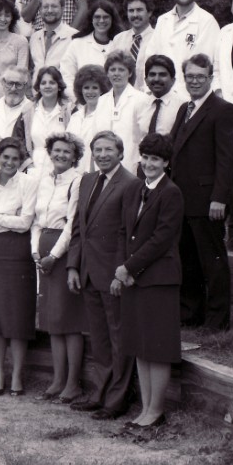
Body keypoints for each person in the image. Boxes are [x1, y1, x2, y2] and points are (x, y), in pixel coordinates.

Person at [114, 132, 185, 432]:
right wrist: (123, 269)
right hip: (134, 279)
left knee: (157, 346)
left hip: (159, 279)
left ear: (166, 162)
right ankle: (144, 408)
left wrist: (129, 267)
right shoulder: (133, 189)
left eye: (155, 159)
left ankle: (156, 411)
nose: (148, 164)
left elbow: (161, 239)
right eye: (145, 157)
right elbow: (123, 231)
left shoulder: (171, 193)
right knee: (140, 345)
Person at [66, 130, 139, 420]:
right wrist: (73, 265)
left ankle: (118, 399)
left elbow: (128, 233)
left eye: (109, 149)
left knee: (119, 337)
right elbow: (78, 227)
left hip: (113, 274)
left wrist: (121, 272)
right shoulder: (86, 181)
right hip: (87, 272)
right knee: (99, 338)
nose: (102, 155)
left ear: (120, 153)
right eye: (98, 150)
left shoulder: (130, 184)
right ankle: (100, 393)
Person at [169, 53, 233, 330]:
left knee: (213, 261)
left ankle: (217, 319)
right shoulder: (184, 109)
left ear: (210, 78)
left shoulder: (223, 110)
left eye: (200, 76)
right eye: (190, 76)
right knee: (188, 260)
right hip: (182, 199)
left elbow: (226, 159)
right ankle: (190, 314)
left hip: (208, 200)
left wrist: (220, 197)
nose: (194, 81)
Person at [0, 137, 38, 396]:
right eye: (6, 157)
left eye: (15, 158)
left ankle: (16, 377)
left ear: (21, 160)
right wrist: (10, 217)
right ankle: (0, 375)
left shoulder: (28, 182)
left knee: (17, 316)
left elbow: (25, 223)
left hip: (18, 253)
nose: (10, 162)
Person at [32, 133, 85, 402]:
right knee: (53, 319)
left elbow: (73, 224)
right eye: (56, 151)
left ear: (75, 156)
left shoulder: (77, 181)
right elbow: (37, 220)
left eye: (67, 152)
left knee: (69, 319)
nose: (61, 155)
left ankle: (73, 383)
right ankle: (58, 379)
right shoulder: (44, 179)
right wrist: (36, 250)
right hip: (43, 249)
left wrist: (53, 255)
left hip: (63, 251)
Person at [144, 0, 220, 89]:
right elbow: (150, 57)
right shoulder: (163, 20)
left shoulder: (207, 22)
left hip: (190, 94)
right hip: (161, 92)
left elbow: (205, 64)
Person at [96, 50, 149, 174]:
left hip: (130, 167)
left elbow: (143, 137)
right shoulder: (101, 101)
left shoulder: (141, 99)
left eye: (121, 69)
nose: (116, 74)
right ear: (107, 73)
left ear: (130, 73)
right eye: (112, 70)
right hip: (102, 167)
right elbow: (96, 137)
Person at [0, 68, 33, 173]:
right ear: (3, 84)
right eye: (10, 83)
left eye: (18, 84)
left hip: (19, 174)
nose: (13, 89)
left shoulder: (32, 110)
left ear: (26, 86)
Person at [60, 0, 121, 90]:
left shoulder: (121, 43)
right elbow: (67, 75)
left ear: (112, 19)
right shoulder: (77, 44)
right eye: (97, 17)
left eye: (106, 17)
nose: (101, 20)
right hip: (83, 100)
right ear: (91, 19)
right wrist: (77, 98)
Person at [67, 65, 112, 168]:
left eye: (94, 87)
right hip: (74, 172)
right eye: (86, 87)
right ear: (80, 90)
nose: (90, 92)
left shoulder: (106, 115)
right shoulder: (75, 117)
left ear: (102, 90)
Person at [29, 66, 70, 171]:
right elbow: (20, 141)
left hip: (61, 168)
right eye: (43, 83)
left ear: (59, 86)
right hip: (34, 168)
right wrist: (28, 165)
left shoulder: (69, 110)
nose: (47, 86)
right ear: (38, 87)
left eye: (52, 82)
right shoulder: (28, 110)